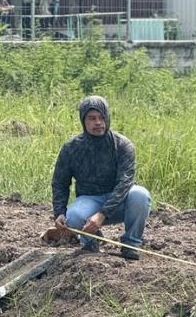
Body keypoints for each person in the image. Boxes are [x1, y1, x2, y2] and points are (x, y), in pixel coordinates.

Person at [52, 95, 150, 260]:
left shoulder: (122, 145)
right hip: (89, 199)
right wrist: (59, 211)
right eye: (92, 118)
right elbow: (60, 182)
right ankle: (90, 242)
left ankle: (131, 244)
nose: (97, 122)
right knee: (73, 217)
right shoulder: (71, 148)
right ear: (84, 121)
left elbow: (125, 183)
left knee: (140, 195)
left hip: (120, 201)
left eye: (101, 117)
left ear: (107, 118)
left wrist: (102, 214)